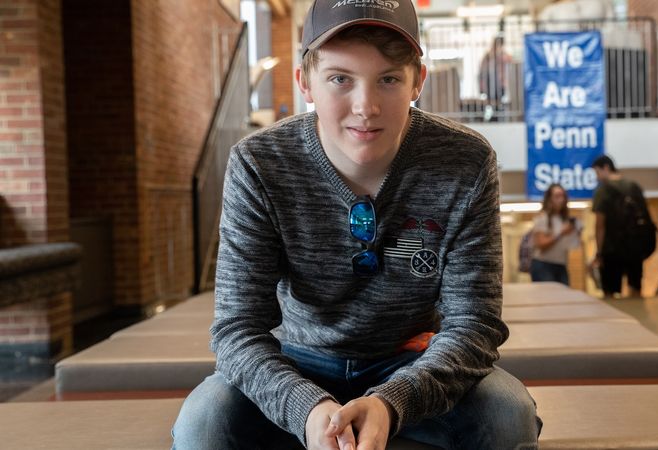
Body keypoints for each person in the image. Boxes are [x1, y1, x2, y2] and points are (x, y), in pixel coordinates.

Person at [171, 0, 541, 449]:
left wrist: (393, 402)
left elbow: (474, 324)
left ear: (416, 82)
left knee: (508, 412)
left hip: (412, 361)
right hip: (298, 361)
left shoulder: (465, 161)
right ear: (305, 82)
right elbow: (237, 328)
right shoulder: (260, 163)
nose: (365, 107)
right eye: (340, 79)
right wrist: (304, 407)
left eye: (388, 79)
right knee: (203, 422)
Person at [590, 155, 650, 298]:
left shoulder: (603, 191)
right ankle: (638, 317)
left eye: (597, 172)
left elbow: (600, 225)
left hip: (612, 249)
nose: (597, 177)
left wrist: (599, 252)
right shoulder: (634, 186)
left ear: (606, 168)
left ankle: (614, 319)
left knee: (610, 291)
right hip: (635, 246)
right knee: (635, 287)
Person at [529, 184, 581, 285]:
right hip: (543, 265)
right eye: (557, 196)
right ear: (549, 199)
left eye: (563, 196)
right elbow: (541, 244)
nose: (561, 200)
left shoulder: (564, 219)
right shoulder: (542, 218)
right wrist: (560, 233)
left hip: (561, 264)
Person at [478, 36, 514, 114]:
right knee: (491, 101)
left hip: (499, 82)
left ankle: (496, 115)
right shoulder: (488, 55)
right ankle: (492, 116)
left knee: (498, 99)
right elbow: (482, 69)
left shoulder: (502, 54)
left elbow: (510, 59)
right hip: (490, 81)